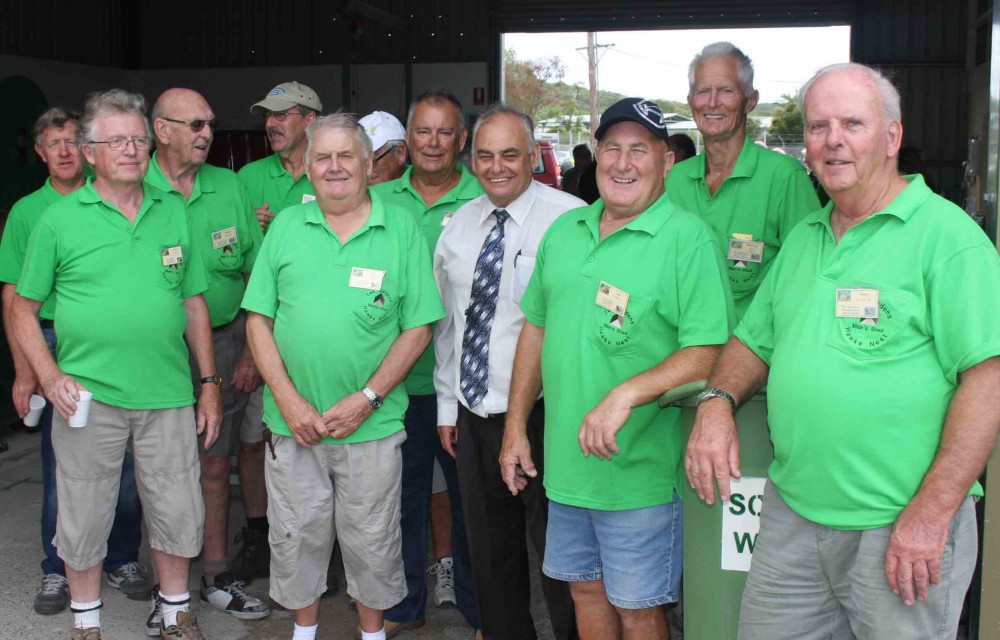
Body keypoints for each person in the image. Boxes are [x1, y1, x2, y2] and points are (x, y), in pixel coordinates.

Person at [685, 63, 1000, 640]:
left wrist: (931, 513)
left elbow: (988, 379)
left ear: (891, 136)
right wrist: (716, 402)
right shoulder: (805, 237)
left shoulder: (947, 238)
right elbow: (753, 341)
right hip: (792, 516)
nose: (833, 140)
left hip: (898, 524)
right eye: (818, 126)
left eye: (853, 123)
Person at [503, 97, 735, 640]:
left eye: (639, 150)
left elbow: (711, 352)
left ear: (666, 162)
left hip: (640, 476)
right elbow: (535, 329)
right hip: (567, 469)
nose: (623, 163)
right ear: (596, 155)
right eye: (612, 148)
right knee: (585, 591)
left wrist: (627, 392)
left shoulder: (687, 239)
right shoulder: (566, 230)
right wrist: (515, 427)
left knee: (637, 607)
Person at [10, 88, 221, 640]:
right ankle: (87, 624)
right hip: (88, 396)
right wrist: (48, 375)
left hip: (167, 393)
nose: (131, 149)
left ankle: (175, 615)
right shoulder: (58, 220)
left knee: (176, 508)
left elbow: (193, 303)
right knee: (83, 510)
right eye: (117, 141)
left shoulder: (171, 210)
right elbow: (22, 309)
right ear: (90, 152)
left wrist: (208, 383)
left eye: (138, 140)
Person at [242, 112, 444, 640]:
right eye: (323, 157)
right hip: (294, 425)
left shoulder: (400, 227)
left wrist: (368, 397)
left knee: (373, 540)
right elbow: (258, 320)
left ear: (368, 164)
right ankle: (304, 633)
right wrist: (288, 400)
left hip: (371, 424)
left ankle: (371, 635)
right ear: (308, 168)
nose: (335, 167)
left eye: (346, 156)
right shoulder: (287, 226)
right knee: (296, 536)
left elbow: (418, 327)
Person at [434, 103, 582, 640]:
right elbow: (450, 325)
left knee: (561, 555)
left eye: (510, 155)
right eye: (485, 156)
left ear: (533, 155)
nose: (496, 167)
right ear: (471, 159)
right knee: (491, 555)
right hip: (475, 413)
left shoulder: (571, 219)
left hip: (548, 413)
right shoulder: (458, 227)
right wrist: (448, 406)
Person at [0, 107, 149, 616]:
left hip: (112, 347)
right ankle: (57, 567)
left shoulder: (117, 199)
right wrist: (28, 369)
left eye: (70, 141)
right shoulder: (29, 212)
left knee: (123, 461)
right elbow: (14, 297)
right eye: (53, 143)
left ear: (86, 150)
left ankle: (121, 557)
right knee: (63, 462)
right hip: (52, 342)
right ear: (39, 153)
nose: (63, 151)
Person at [145, 88, 270, 625]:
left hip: (224, 342)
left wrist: (249, 352)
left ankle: (215, 575)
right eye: (195, 124)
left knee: (215, 465)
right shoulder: (135, 188)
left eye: (210, 124)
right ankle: (167, 589)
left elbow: (257, 275)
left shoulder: (229, 185)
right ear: (161, 129)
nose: (206, 134)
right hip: (157, 351)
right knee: (161, 470)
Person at [371, 90, 481, 636]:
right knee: (401, 500)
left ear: (461, 139)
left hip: (468, 385)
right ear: (406, 140)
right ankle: (404, 606)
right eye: (423, 131)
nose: (433, 142)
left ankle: (481, 611)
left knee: (472, 506)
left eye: (444, 132)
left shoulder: (485, 197)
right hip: (396, 382)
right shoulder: (377, 200)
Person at [665, 42, 819, 319]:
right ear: (690, 101)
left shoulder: (784, 177)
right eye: (703, 91)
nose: (713, 102)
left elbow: (807, 277)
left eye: (726, 90)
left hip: (750, 344)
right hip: (680, 341)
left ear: (750, 100)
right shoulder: (672, 179)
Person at [238, 81, 321, 231]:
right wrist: (246, 225)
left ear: (309, 120)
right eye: (267, 115)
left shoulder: (331, 174)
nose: (269, 123)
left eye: (281, 114)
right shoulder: (248, 176)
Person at [361, 111, 408, 185]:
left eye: (374, 159)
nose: (367, 169)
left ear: (400, 153)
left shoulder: (424, 188)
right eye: (361, 161)